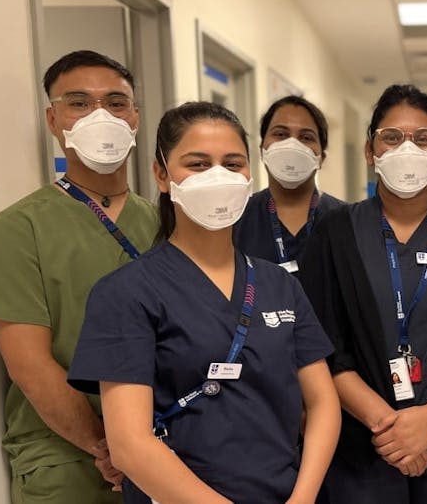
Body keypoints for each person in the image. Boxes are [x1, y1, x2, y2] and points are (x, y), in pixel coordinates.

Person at [66, 101, 341, 504]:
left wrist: (302, 498)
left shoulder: (278, 285)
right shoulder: (126, 292)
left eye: (232, 164)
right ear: (162, 174)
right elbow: (128, 443)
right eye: (197, 164)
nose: (218, 176)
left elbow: (322, 403)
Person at [298, 83, 427, 504]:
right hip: (363, 447)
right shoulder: (334, 234)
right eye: (392, 137)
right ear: (369, 151)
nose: (406, 148)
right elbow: (320, 342)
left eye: (422, 138)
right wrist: (391, 429)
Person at [0, 50, 157, 503]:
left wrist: (144, 450)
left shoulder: (164, 223)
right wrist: (107, 447)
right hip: (67, 459)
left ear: (134, 116)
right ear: (54, 120)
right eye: (79, 102)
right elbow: (30, 367)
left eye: (115, 102)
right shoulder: (18, 228)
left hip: (162, 451)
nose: (100, 115)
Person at [235, 95, 346, 275]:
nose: (292, 144)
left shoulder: (346, 222)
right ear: (263, 149)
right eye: (280, 134)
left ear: (321, 158)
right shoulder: (237, 219)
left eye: (306, 137)